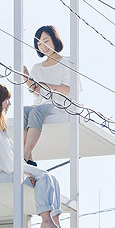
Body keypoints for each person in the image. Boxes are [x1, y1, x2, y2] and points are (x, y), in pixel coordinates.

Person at [0, 82, 74, 228]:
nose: (9, 104)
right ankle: (46, 220)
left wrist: (21, 167)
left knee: (51, 178)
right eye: (6, 100)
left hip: (3, 167)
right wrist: (19, 170)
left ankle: (55, 221)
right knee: (44, 177)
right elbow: (1, 154)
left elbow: (9, 152)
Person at [22, 25, 80, 166]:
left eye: (46, 41)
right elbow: (37, 93)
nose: (43, 46)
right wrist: (26, 77)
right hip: (41, 105)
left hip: (60, 105)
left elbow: (70, 90)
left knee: (36, 112)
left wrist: (46, 85)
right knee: (22, 111)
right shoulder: (37, 68)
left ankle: (23, 156)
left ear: (55, 39)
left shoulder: (68, 62)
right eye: (39, 44)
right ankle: (29, 159)